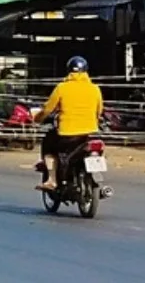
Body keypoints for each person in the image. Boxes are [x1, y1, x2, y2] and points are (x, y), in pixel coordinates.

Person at [32, 56, 103, 192]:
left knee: (49, 146)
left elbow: (47, 109)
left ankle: (52, 180)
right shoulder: (95, 89)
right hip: (88, 133)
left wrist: (37, 119)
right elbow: (99, 111)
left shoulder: (62, 88)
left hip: (67, 134)